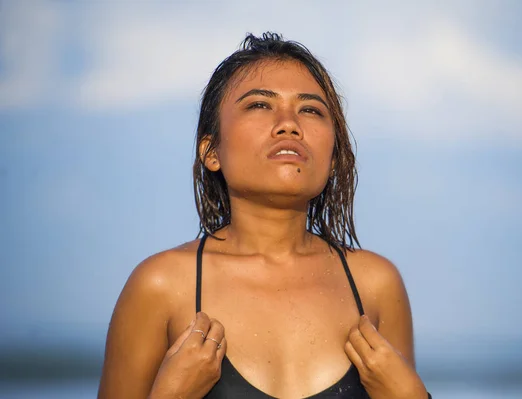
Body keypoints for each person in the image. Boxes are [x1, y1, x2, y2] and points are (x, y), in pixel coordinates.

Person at [97, 32, 431, 399]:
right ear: (212, 151)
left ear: (333, 158)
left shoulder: (375, 285)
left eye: (310, 110)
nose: (288, 124)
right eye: (259, 105)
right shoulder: (160, 286)